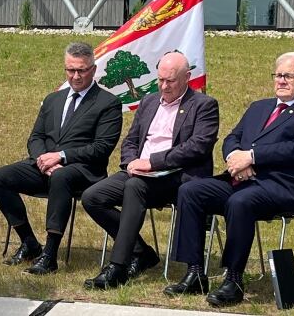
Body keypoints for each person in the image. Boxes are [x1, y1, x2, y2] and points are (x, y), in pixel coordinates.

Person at [165, 52, 294, 307]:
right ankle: (196, 272)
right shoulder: (259, 107)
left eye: (289, 76)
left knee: (240, 202)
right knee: (191, 190)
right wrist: (235, 157)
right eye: (278, 75)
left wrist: (252, 157)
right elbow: (233, 137)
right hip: (242, 180)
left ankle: (233, 279)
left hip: (284, 187)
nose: (282, 81)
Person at [81, 51, 219, 289]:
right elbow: (131, 140)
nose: (164, 86)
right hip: (141, 171)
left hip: (178, 176)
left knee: (135, 187)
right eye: (160, 79)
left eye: (171, 81)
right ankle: (141, 252)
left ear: (187, 77)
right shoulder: (149, 101)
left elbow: (197, 148)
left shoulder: (204, 105)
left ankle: (118, 267)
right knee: (92, 197)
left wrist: (153, 163)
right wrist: (131, 162)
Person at [0, 42, 123, 275]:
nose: (76, 76)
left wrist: (60, 157)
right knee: (0, 177)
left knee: (61, 177)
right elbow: (36, 137)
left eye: (81, 70)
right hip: (44, 167)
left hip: (83, 171)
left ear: (93, 69)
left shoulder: (108, 103)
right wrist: (43, 159)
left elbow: (101, 148)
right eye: (70, 70)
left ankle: (50, 255)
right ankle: (29, 242)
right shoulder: (53, 100)